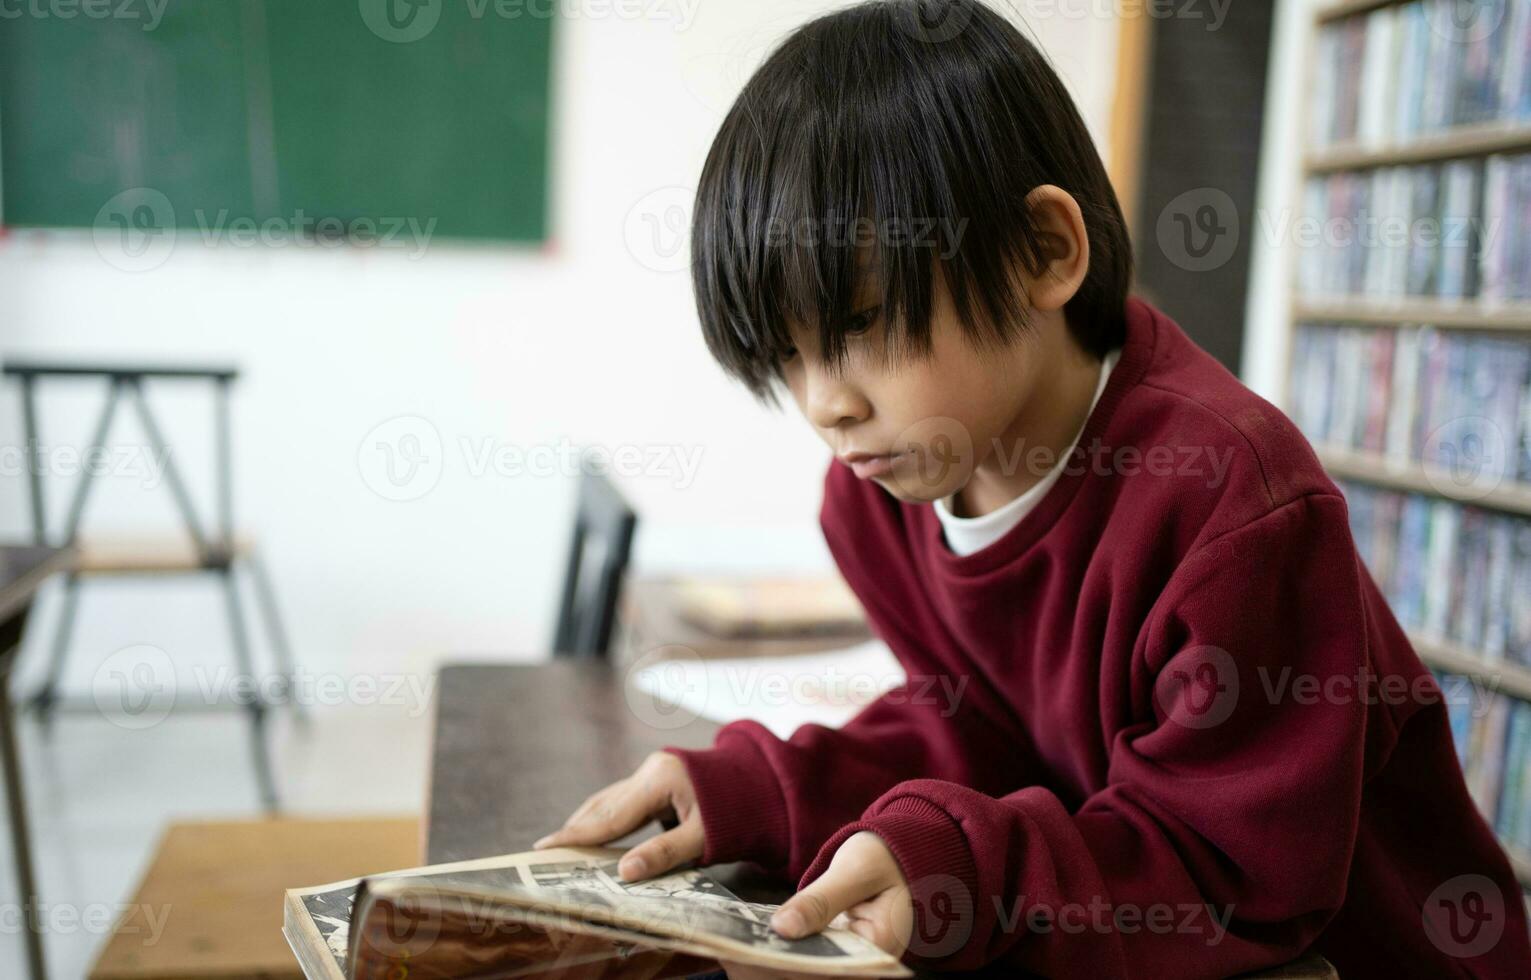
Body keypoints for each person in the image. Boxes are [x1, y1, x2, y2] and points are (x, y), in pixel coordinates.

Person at [536, 1, 1531, 975]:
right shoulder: (878, 499)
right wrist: (767, 792)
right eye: (781, 356)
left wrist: (970, 869)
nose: (823, 403)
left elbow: (1230, 874)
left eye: (858, 323)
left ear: (1044, 253)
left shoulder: (1232, 502)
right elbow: (974, 728)